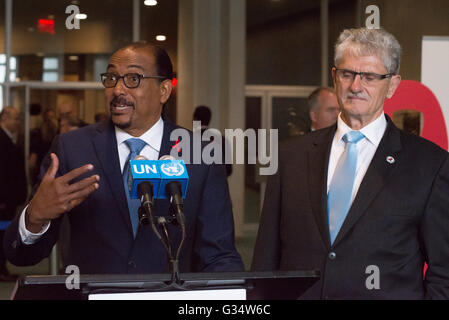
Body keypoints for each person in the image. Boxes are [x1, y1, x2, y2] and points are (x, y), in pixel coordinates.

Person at [4, 42, 243, 274]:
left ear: (164, 90)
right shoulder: (72, 148)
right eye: (111, 79)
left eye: (133, 79)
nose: (118, 90)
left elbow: (219, 256)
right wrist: (35, 216)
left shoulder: (200, 155)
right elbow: (22, 256)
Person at [252, 27, 449, 299]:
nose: (356, 86)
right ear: (335, 78)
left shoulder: (429, 165)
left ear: (392, 85)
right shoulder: (290, 157)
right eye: (347, 74)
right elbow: (265, 262)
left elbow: (444, 274)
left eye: (369, 76)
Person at [0, 107, 27, 281]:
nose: (18, 123)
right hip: (3, 200)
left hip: (9, 199)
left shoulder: (10, 139)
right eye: (15, 119)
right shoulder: (2, 140)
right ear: (5, 118)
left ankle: (2, 268)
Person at [193, 105, 232, 177]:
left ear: (195, 119)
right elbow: (228, 170)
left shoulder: (189, 140)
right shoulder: (222, 140)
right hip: (218, 184)